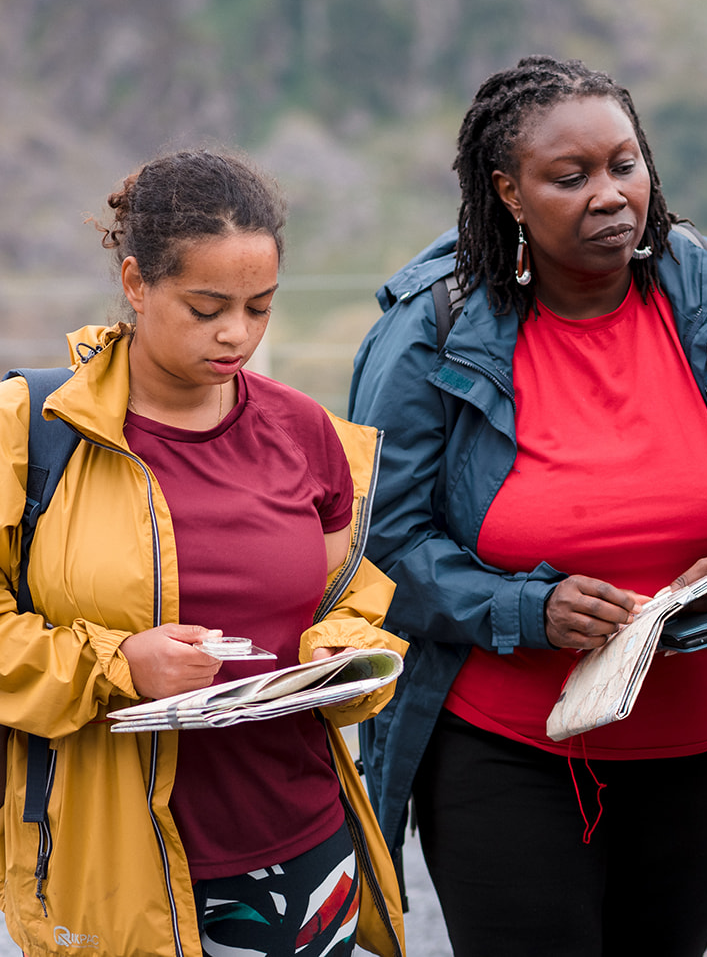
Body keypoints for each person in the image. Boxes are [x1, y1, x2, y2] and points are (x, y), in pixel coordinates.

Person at [348, 54, 707, 957]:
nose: (609, 195)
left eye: (624, 165)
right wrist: (528, 608)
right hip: (507, 752)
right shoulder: (431, 333)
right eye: (569, 178)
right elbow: (378, 547)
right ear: (509, 191)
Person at [0, 150, 406, 957]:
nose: (238, 334)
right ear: (135, 282)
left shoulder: (303, 429)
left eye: (261, 307)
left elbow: (345, 594)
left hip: (307, 847)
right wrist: (120, 664)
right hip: (118, 870)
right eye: (207, 306)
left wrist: (344, 655)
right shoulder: (31, 431)